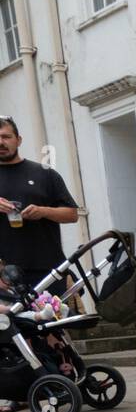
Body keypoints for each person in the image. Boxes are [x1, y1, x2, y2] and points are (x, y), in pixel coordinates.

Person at [0, 116, 80, 292]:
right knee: (12, 321)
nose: (1, 142)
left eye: (6, 137)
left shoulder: (44, 174)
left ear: (18, 140)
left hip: (49, 270)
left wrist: (43, 211)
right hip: (4, 276)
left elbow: (72, 214)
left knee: (58, 319)